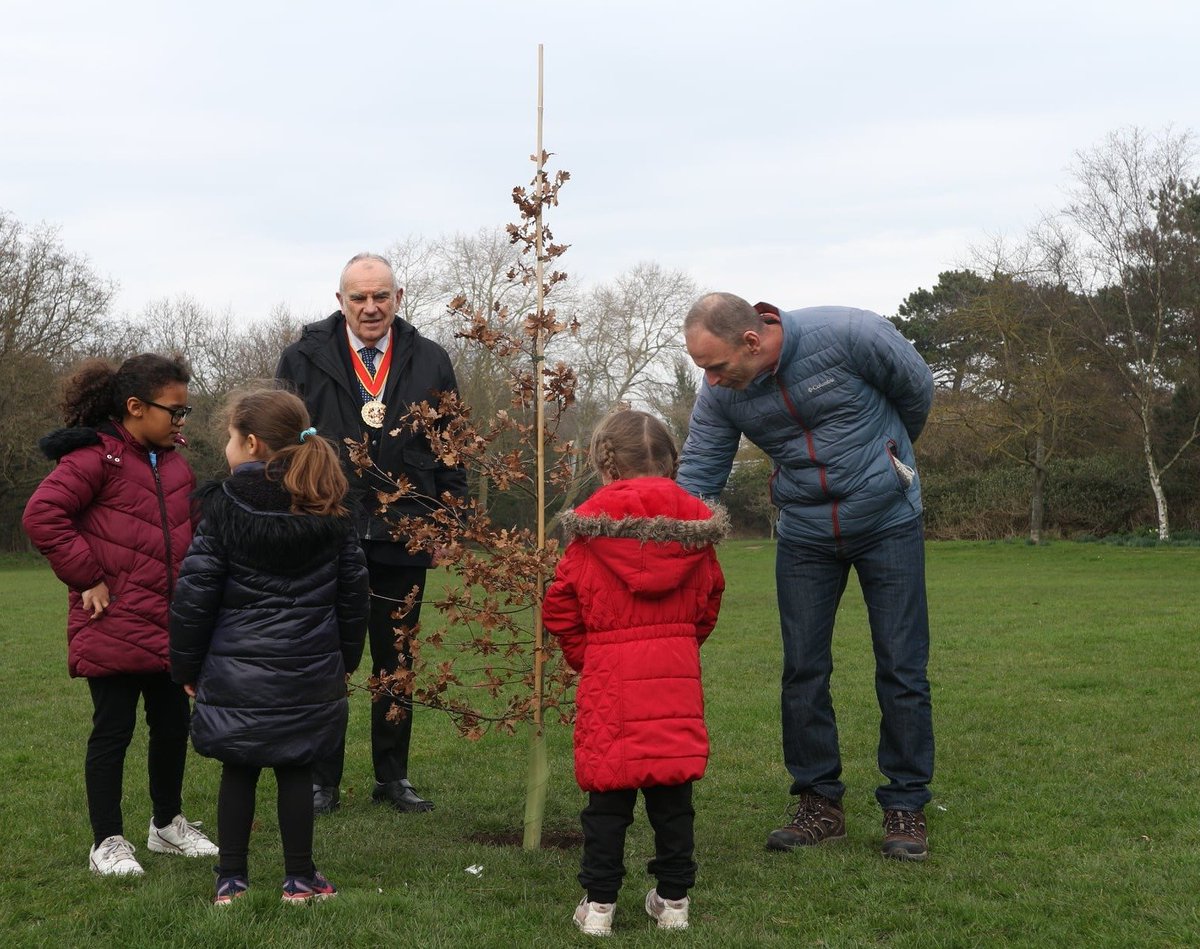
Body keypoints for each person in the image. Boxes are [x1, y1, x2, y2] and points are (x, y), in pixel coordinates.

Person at [676, 292, 936, 861]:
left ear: (752, 340)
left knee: (901, 664)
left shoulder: (851, 334)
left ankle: (906, 804)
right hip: (804, 533)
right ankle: (819, 803)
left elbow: (916, 393)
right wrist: (671, 542)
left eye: (716, 367)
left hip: (888, 519)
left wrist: (889, 460)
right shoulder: (722, 393)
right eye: (704, 371)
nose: (713, 382)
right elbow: (701, 470)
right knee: (803, 670)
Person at [276, 252, 468, 816]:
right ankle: (320, 779)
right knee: (327, 658)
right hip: (325, 529)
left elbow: (450, 447)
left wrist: (448, 520)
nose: (369, 307)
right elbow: (283, 444)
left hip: (404, 530)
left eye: (380, 296)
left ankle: (393, 776)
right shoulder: (302, 357)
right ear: (340, 301)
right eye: (358, 297)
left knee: (397, 660)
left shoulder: (431, 359)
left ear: (397, 298)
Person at [169, 388, 370, 904]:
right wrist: (344, 662)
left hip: (235, 672)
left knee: (239, 767)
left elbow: (195, 596)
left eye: (232, 439)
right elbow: (353, 597)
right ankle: (300, 878)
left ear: (252, 443)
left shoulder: (222, 508)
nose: (228, 449)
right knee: (296, 768)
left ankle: (230, 880)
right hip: (309, 669)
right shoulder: (332, 508)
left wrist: (185, 666)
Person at [22, 354, 218, 876]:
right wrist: (86, 576)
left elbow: (194, 534)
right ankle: (107, 841)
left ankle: (167, 825)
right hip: (112, 625)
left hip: (171, 627)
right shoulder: (93, 458)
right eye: (174, 410)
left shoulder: (177, 463)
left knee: (173, 727)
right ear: (135, 407)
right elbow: (42, 514)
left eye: (185, 411)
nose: (181, 420)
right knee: (112, 733)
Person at [543, 410, 727, 936]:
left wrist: (590, 656)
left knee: (608, 796)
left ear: (605, 466)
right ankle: (673, 903)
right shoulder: (697, 536)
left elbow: (560, 607)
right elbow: (709, 601)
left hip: (609, 684)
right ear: (671, 463)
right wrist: (680, 646)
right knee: (673, 795)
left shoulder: (586, 539)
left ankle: (598, 906)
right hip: (674, 679)